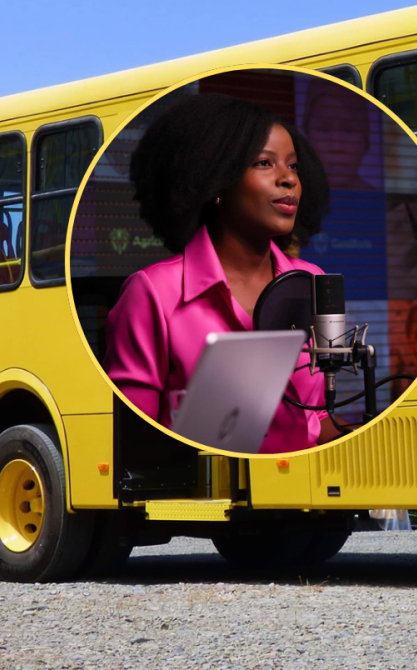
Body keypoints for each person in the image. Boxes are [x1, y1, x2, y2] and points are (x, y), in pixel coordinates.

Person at [103, 92, 339, 453]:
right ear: (216, 180)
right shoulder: (153, 292)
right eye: (264, 163)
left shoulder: (312, 281)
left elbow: (319, 419)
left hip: (308, 494)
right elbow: (136, 442)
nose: (288, 179)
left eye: (293, 166)